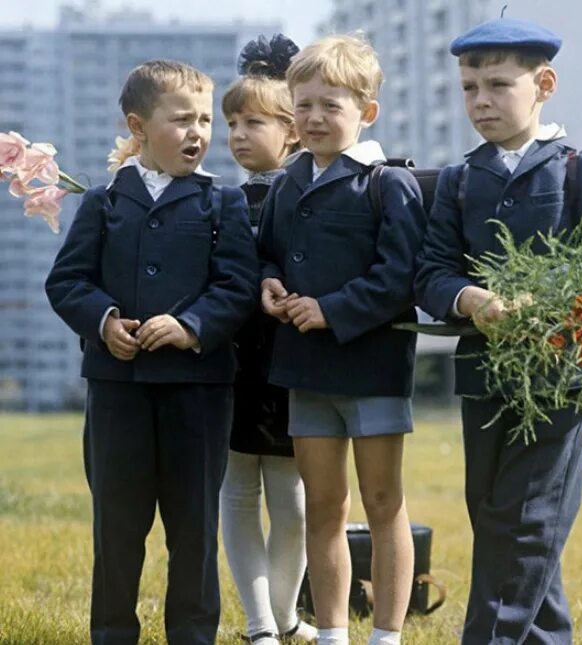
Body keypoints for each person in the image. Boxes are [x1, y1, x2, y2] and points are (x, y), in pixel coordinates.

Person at [414, 18, 582, 645]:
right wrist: (468, 296)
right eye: (468, 87)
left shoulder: (575, 168)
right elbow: (432, 271)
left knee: (525, 524)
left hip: (560, 379)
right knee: (496, 522)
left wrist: (537, 298)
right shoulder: (460, 180)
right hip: (484, 377)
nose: (480, 101)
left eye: (496, 84)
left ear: (544, 84)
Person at [45, 59, 260, 644]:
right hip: (118, 393)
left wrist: (192, 326)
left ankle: (193, 635)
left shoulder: (224, 204)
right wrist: (104, 320)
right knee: (117, 524)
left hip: (200, 391)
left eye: (203, 120)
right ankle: (112, 633)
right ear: (137, 128)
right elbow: (67, 282)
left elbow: (237, 286)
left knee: (194, 525)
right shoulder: (102, 201)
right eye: (181, 119)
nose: (199, 132)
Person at [257, 34, 427, 645]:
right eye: (303, 105)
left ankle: (386, 634)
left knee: (383, 502)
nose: (315, 118)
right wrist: (269, 283)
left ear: (366, 112)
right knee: (324, 507)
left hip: (371, 364)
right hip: (305, 369)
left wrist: (332, 310)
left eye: (331, 104)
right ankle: (331, 633)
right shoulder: (285, 184)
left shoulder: (389, 183)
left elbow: (399, 275)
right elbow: (268, 253)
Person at [219, 34, 317, 645]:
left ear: (292, 129)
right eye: (231, 122)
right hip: (228, 368)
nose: (237, 134)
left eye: (253, 121)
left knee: (295, 501)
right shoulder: (213, 200)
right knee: (236, 493)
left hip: (294, 364)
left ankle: (285, 618)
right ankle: (261, 625)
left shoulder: (310, 196)